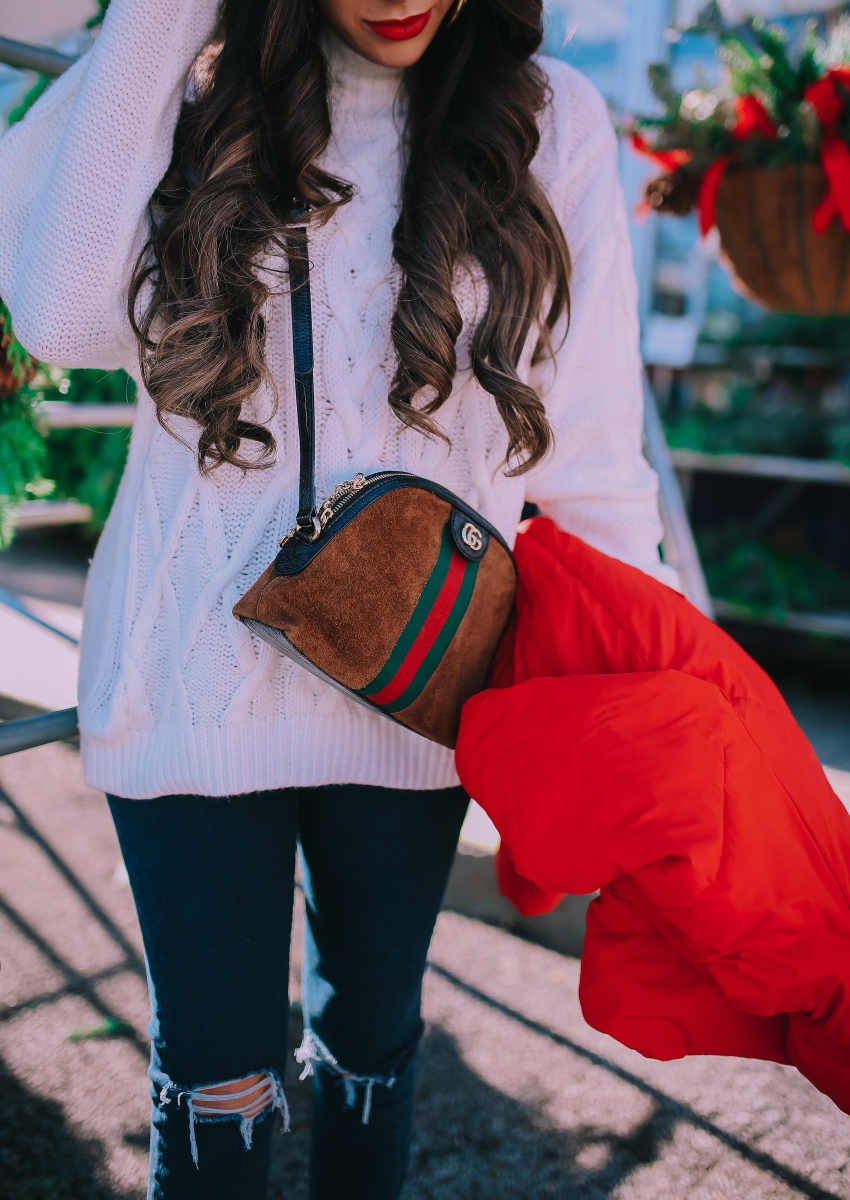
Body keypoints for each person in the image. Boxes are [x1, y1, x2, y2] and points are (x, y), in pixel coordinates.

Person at [0, 0, 680, 1194]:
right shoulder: (187, 81)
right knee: (215, 1077)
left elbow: (590, 454)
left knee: (371, 1040)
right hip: (181, 678)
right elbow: (58, 315)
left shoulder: (549, 116)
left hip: (421, 684)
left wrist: (673, 693)